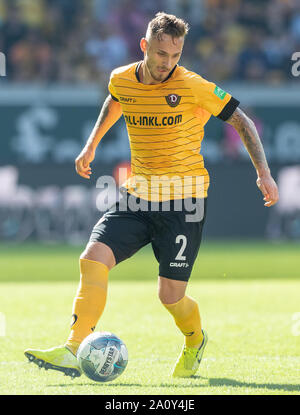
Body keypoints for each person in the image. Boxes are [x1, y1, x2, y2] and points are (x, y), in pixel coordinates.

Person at [24, 12, 279, 379]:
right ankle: (72, 348)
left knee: (170, 296)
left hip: (184, 200)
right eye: (161, 54)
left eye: (175, 56)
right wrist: (91, 145)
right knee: (92, 258)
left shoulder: (193, 86)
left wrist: (264, 173)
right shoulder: (121, 78)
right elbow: (115, 100)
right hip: (138, 193)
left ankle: (194, 339)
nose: (168, 63)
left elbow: (242, 120)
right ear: (145, 46)